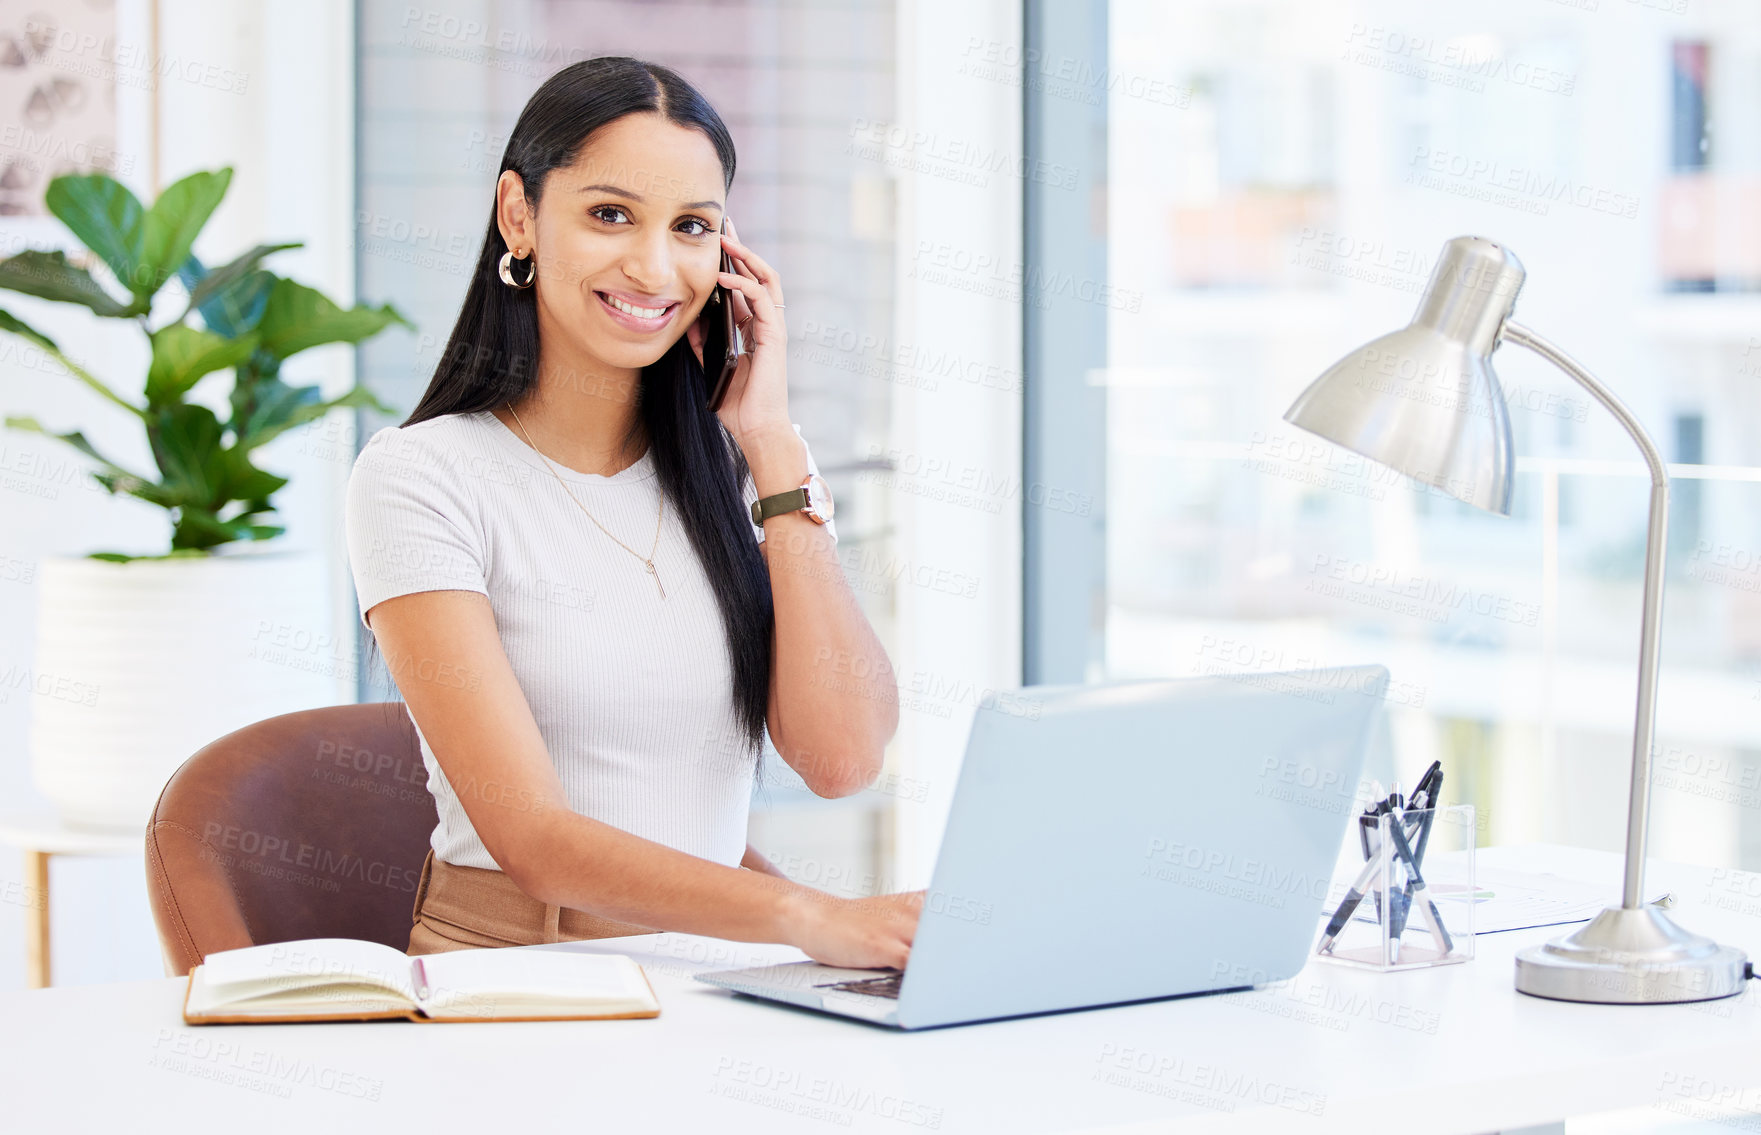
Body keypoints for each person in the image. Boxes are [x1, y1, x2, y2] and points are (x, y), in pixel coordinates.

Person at [344, 56, 919, 970]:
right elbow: (533, 840)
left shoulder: (745, 480)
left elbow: (841, 759)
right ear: (519, 215)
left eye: (691, 226)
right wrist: (807, 914)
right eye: (611, 214)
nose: (654, 265)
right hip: (519, 975)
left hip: (707, 963)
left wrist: (770, 444)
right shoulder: (421, 478)